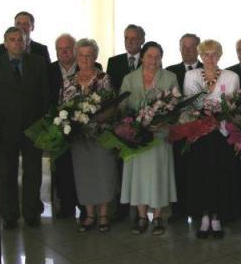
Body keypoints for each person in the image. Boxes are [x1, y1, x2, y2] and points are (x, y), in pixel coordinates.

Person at [0, 26, 49, 229]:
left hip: (33, 128)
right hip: (5, 130)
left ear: (26, 42)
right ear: (5, 43)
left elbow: (45, 96)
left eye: (20, 39)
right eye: (12, 40)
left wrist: (44, 126)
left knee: (33, 172)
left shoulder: (38, 63)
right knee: (6, 173)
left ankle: (31, 212)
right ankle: (9, 214)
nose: (17, 43)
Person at [120, 41, 179, 236]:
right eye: (149, 56)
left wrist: (163, 123)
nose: (153, 60)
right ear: (142, 57)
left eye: (157, 56)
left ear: (161, 59)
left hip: (159, 137)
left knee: (158, 177)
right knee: (138, 178)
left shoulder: (170, 77)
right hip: (136, 138)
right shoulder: (129, 79)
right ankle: (142, 216)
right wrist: (131, 123)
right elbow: (122, 107)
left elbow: (176, 108)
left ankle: (158, 216)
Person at [183, 39, 240, 238]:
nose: (210, 58)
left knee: (219, 176)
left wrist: (219, 118)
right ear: (200, 56)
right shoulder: (191, 76)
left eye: (214, 54)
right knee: (201, 176)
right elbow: (188, 106)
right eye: (206, 54)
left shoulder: (231, 77)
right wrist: (200, 120)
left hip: (221, 136)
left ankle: (216, 217)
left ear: (220, 55)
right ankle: (204, 216)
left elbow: (234, 108)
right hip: (199, 136)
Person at [62, 38, 118, 233]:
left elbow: (112, 106)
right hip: (79, 138)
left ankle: (103, 215)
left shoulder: (103, 78)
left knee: (104, 173)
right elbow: (63, 108)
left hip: (100, 135)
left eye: (89, 55)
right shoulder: (69, 81)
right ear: (76, 56)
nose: (85, 59)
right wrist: (74, 123)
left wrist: (97, 119)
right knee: (84, 175)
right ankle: (89, 214)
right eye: (81, 55)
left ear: (95, 57)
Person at [48, 34, 102, 219]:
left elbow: (105, 101)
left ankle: (87, 208)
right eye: (60, 49)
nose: (64, 52)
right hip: (63, 129)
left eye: (67, 48)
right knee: (64, 170)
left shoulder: (97, 71)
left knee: (87, 170)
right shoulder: (52, 71)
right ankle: (68, 206)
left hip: (90, 133)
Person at [106, 23, 145, 221]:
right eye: (126, 38)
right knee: (121, 165)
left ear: (142, 40)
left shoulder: (149, 58)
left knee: (139, 167)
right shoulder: (114, 62)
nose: (129, 42)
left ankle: (140, 208)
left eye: (134, 38)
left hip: (143, 121)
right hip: (120, 123)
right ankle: (121, 208)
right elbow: (111, 93)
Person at [165, 33, 203, 222]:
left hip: (201, 131)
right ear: (179, 49)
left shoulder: (208, 70)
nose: (187, 50)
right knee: (179, 170)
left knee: (198, 171)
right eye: (184, 47)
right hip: (177, 131)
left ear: (198, 48)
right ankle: (178, 210)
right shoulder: (170, 72)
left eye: (191, 46)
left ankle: (198, 209)